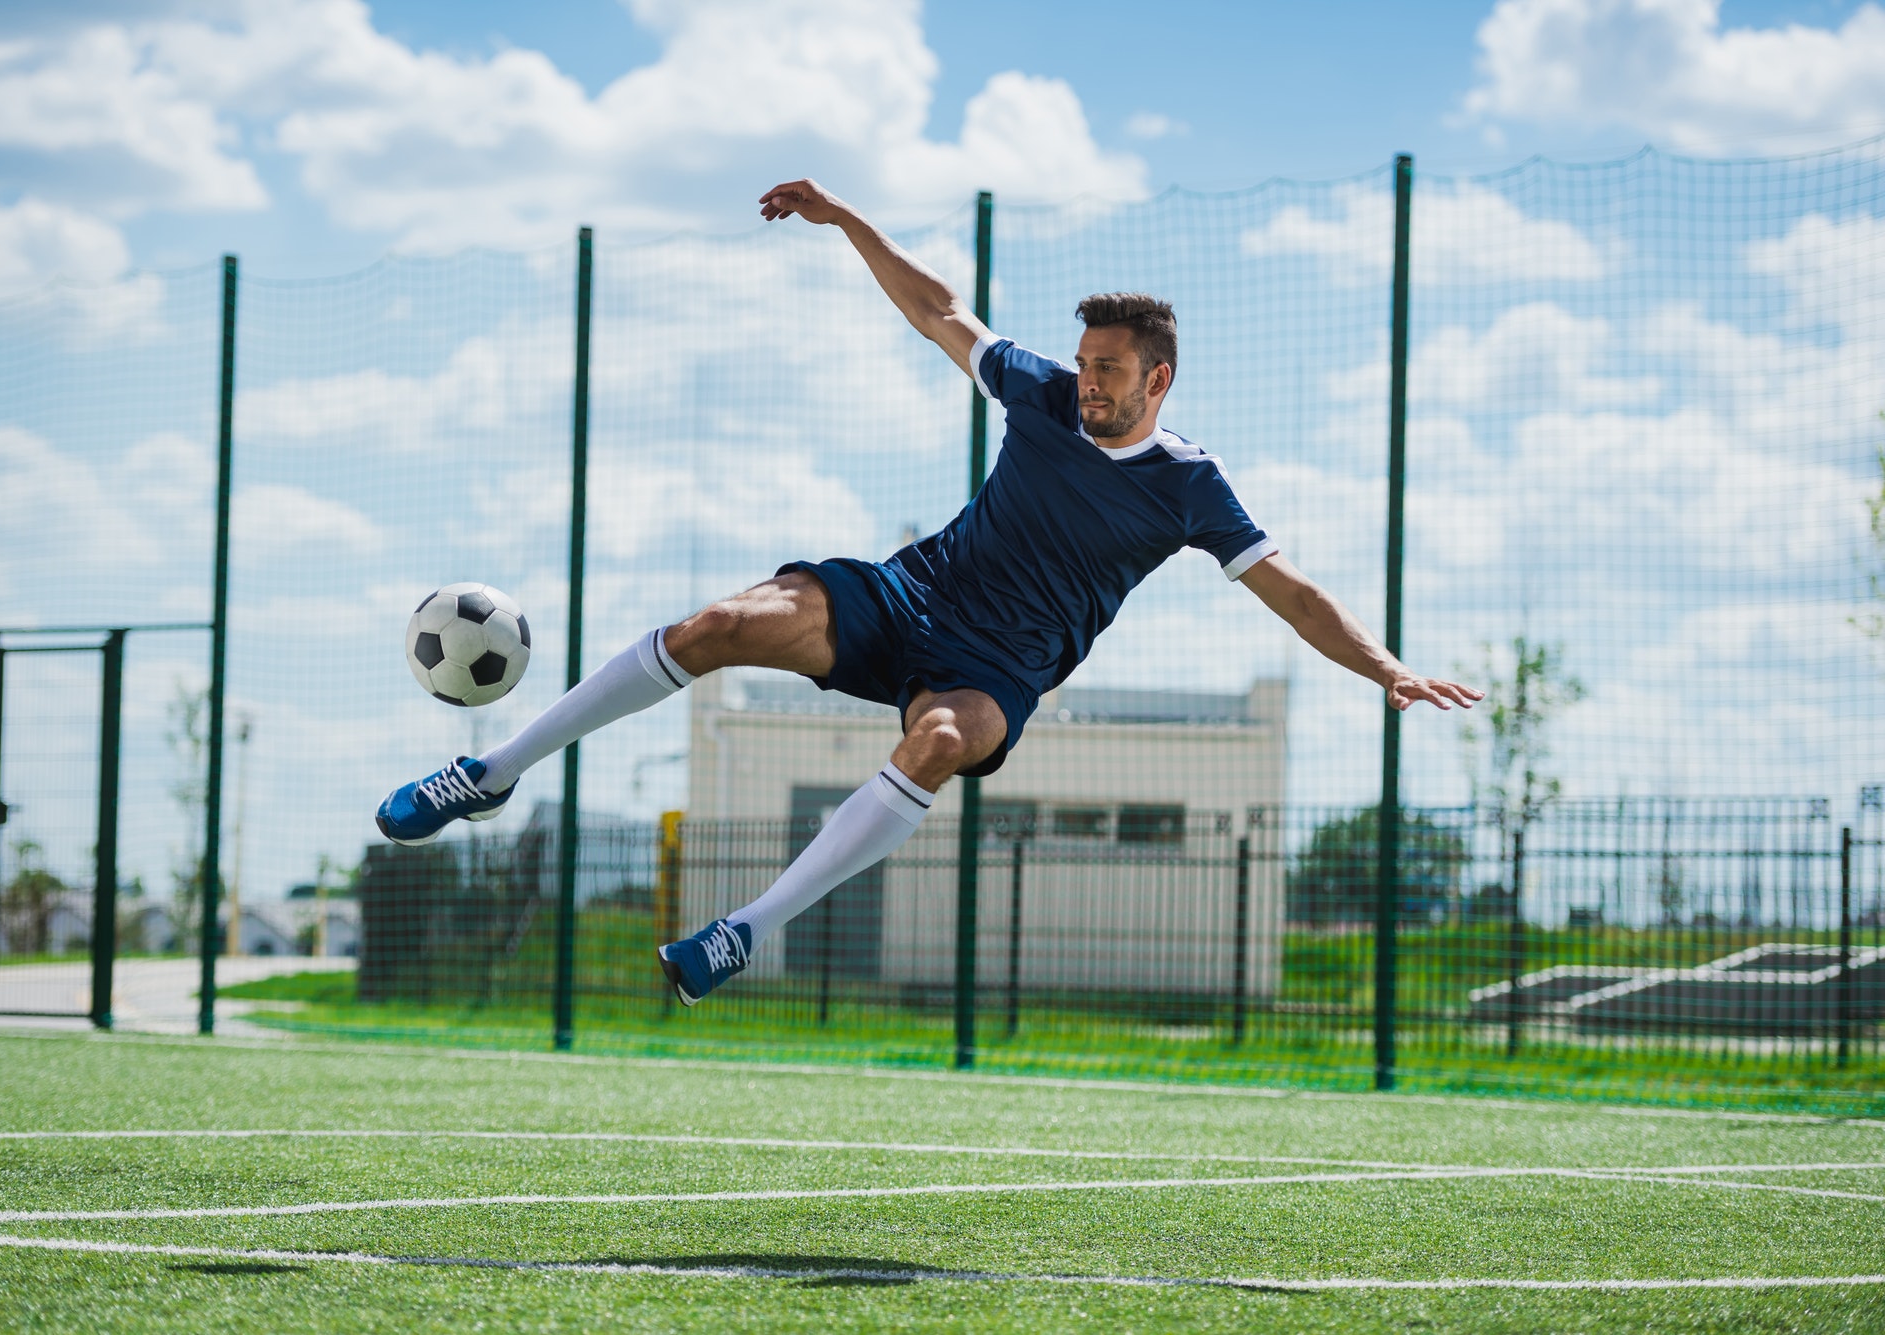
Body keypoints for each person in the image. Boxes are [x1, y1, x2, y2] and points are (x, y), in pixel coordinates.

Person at [377, 178, 1483, 1006]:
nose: (1085, 380)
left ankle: (744, 931)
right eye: (1082, 362)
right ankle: (489, 772)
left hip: (998, 666)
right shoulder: (1042, 395)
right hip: (909, 593)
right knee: (716, 624)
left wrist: (1385, 668)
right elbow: (938, 309)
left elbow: (1292, 592)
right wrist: (843, 217)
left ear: (1158, 378)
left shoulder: (1191, 486)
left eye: (1107, 369)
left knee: (942, 740)